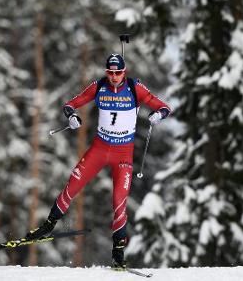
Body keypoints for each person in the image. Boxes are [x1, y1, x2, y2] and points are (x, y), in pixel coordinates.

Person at [26, 53, 171, 268]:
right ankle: (48, 224)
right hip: (100, 149)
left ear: (125, 72)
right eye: (110, 73)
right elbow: (70, 104)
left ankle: (118, 252)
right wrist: (72, 117)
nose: (114, 77)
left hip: (123, 154)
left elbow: (165, 107)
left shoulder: (134, 88)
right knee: (73, 184)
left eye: (118, 73)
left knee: (119, 200)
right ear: (106, 72)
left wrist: (158, 115)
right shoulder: (98, 86)